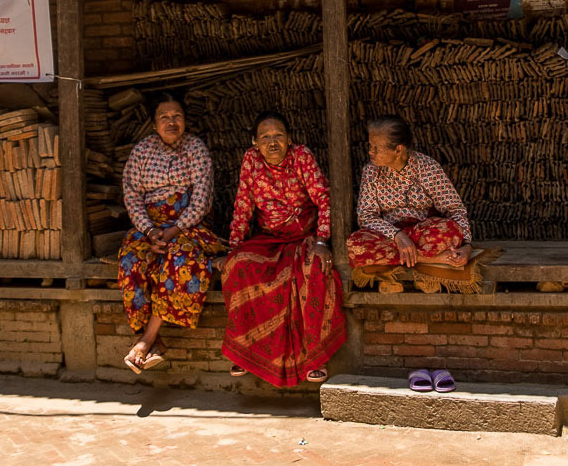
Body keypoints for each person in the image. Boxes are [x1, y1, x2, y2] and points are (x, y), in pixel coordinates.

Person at [221, 111, 346, 387]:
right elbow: (242, 206)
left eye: (278, 135)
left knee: (314, 269)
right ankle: (245, 352)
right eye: (265, 137)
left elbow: (325, 198)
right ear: (255, 142)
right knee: (238, 266)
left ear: (290, 139)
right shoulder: (251, 162)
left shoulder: (301, 157)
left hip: (306, 237)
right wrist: (234, 248)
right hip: (271, 239)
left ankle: (316, 358)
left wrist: (323, 241)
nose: (272, 142)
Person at [117, 93, 226, 372]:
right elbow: (131, 194)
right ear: (154, 124)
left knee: (180, 259)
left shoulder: (196, 149)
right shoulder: (142, 151)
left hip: (190, 226)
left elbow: (201, 200)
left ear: (185, 121)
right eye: (164, 117)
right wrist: (151, 231)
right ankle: (155, 342)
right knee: (131, 258)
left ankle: (146, 340)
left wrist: (173, 231)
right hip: (149, 228)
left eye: (177, 115)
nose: (171, 121)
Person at [346, 114, 471, 292]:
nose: (370, 152)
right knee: (355, 243)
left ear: (398, 150)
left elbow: (455, 210)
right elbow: (366, 216)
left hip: (422, 233)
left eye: (376, 148)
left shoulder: (428, 168)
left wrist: (467, 246)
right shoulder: (371, 171)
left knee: (451, 230)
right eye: (370, 146)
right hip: (389, 236)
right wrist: (398, 236)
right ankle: (429, 259)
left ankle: (407, 256)